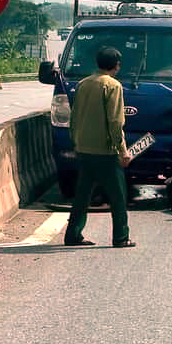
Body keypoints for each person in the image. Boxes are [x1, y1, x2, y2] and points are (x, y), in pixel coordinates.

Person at [64, 46, 136, 248]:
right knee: (118, 196)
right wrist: (123, 151)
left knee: (82, 195)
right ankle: (121, 237)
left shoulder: (83, 84)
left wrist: (76, 141)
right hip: (106, 151)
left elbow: (75, 116)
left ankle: (73, 234)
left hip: (84, 148)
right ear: (117, 65)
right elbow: (115, 122)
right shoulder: (113, 86)